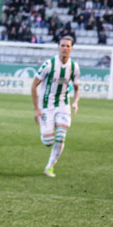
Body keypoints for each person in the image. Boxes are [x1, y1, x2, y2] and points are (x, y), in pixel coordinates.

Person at [30, 36, 80, 178]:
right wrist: (36, 109)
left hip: (63, 104)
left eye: (67, 46)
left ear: (71, 49)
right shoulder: (49, 64)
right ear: (58, 47)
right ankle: (45, 128)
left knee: (61, 136)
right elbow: (34, 86)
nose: (65, 48)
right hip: (46, 105)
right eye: (62, 45)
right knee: (48, 141)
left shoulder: (74, 67)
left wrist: (75, 102)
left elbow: (77, 88)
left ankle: (50, 167)